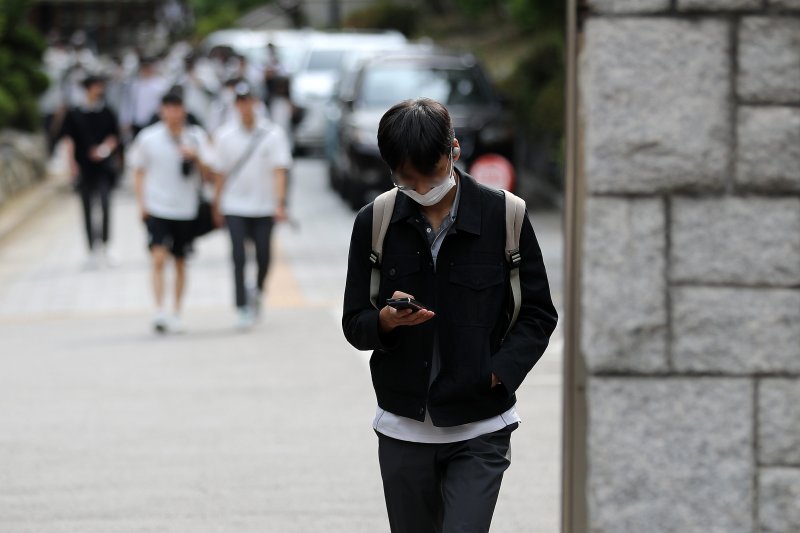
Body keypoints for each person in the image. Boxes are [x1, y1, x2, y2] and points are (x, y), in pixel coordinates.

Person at [342, 98, 558, 533]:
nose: (422, 188)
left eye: (431, 173)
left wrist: (497, 372)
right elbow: (354, 322)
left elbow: (538, 314)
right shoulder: (375, 221)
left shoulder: (506, 216)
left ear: (454, 150)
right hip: (403, 428)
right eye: (408, 178)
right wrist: (385, 322)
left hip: (481, 425)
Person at [130, 91, 214, 334]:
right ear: (162, 111)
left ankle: (177, 311)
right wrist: (141, 203)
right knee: (158, 257)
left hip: (186, 208)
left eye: (177, 108)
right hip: (157, 207)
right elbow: (138, 170)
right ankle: (159, 310)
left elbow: (211, 172)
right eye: (169, 108)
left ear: (184, 110)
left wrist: (196, 157)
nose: (173, 113)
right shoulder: (148, 138)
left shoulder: (196, 136)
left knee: (180, 260)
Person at [212, 83, 292, 330]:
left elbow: (280, 171)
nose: (245, 106)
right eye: (240, 101)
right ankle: (241, 306)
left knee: (263, 256)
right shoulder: (225, 135)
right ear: (236, 105)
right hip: (234, 205)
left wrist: (280, 203)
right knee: (238, 256)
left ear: (256, 103)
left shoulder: (273, 134)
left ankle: (257, 290)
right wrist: (216, 203)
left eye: (248, 100)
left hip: (264, 206)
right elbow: (219, 173)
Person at [60, 74, 121, 268]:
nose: (99, 90)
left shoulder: (107, 111)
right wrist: (71, 163)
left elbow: (115, 136)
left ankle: (106, 244)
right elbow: (68, 139)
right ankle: (91, 249)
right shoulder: (75, 113)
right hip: (84, 167)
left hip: (104, 167)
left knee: (105, 203)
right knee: (86, 207)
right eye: (96, 86)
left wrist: (103, 150)